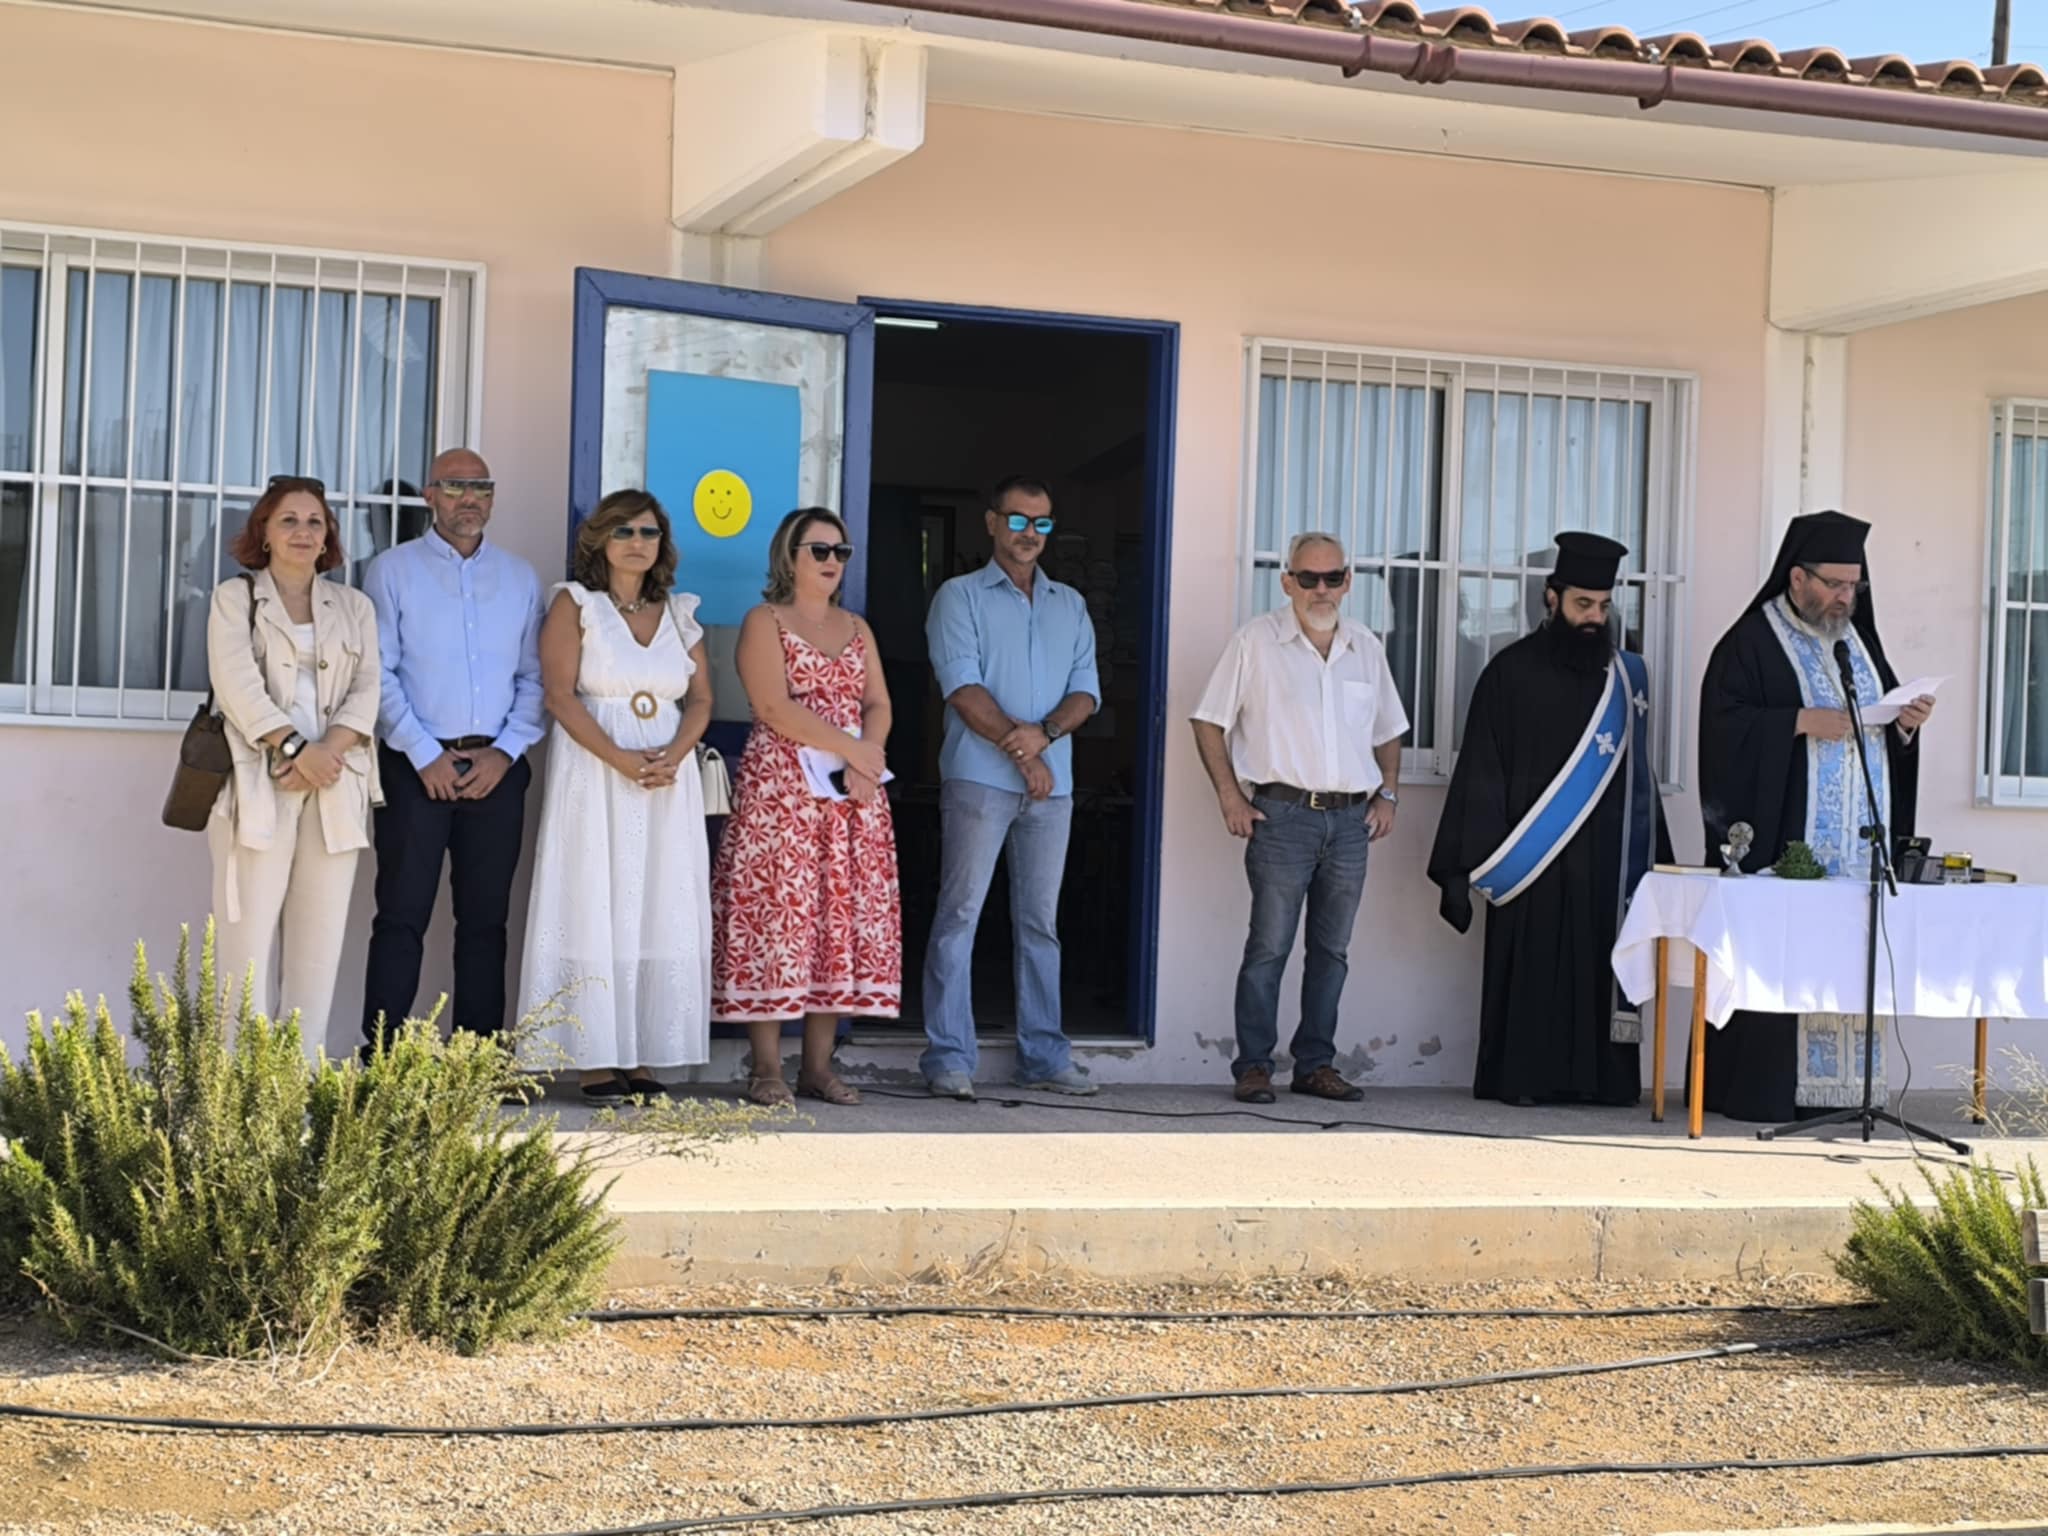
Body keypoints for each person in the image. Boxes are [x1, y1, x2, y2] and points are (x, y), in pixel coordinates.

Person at [1697, 510, 1935, 1121]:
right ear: (1797, 577)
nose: (1844, 598)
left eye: (1854, 585)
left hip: (1857, 856)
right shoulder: (1750, 642)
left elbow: (1881, 730)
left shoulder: (1858, 643)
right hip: (1788, 848)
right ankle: (1768, 1093)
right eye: (1834, 584)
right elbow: (1723, 731)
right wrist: (1797, 722)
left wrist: (1905, 727)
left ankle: (1848, 1096)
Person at [1426, 532, 1674, 1107]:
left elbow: (1639, 775)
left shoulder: (1626, 678)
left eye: (1604, 606)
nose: (1594, 618)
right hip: (1532, 865)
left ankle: (1603, 1083)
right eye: (1583, 604)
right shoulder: (1509, 673)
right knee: (1533, 967)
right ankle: (1523, 1080)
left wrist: (1657, 858)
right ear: (1551, 597)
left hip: (1606, 862)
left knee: (1600, 967)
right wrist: (1467, 861)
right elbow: (1482, 769)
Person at [1190, 531, 1407, 1104]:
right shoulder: (1255, 642)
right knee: (1269, 949)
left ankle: (1315, 1065)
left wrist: (1388, 794)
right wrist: (1230, 797)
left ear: (1348, 582)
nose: (1320, 589)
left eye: (1332, 577)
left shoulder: (1365, 647)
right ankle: (1254, 1066)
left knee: (1332, 952)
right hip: (1282, 817)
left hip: (1350, 822)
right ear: (1287, 581)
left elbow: (1389, 729)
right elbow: (1208, 720)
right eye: (1308, 578)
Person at [518, 489, 714, 1102]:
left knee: (657, 901)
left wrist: (675, 754)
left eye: (649, 532)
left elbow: (702, 698)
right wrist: (620, 758)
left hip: (666, 777)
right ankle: (594, 1057)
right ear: (600, 540)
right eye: (624, 531)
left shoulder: (681, 612)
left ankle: (644, 1050)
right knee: (593, 897)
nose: (637, 543)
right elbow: (559, 695)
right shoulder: (574, 604)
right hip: (595, 770)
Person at [711, 508, 902, 1107]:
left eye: (841, 552)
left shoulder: (858, 626)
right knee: (777, 918)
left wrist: (867, 758)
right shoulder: (764, 620)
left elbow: (878, 702)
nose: (831, 561)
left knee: (835, 922)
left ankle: (817, 1067)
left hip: (850, 795)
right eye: (819, 550)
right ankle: (766, 1066)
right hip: (782, 795)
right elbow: (772, 705)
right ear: (788, 556)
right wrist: (854, 750)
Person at [919, 476, 1102, 1100]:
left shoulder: (1070, 605)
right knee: (959, 915)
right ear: (992, 522)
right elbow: (963, 690)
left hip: (1053, 787)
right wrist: (1027, 755)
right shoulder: (959, 597)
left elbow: (1086, 693)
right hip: (979, 780)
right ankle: (948, 1057)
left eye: (1042, 522)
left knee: (1040, 923)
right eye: (1019, 519)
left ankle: (1044, 1056)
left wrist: (1042, 737)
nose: (1030, 533)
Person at [359, 448, 545, 1051]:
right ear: (430, 496)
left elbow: (534, 677)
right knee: (400, 917)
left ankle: (477, 1061)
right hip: (414, 770)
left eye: (481, 487)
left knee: (486, 923)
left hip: (497, 770)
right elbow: (377, 674)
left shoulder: (520, 578)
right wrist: (422, 752)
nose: (470, 499)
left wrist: (505, 753)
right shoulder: (392, 571)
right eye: (456, 486)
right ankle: (384, 1061)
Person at [204, 474, 381, 1061]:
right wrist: (296, 751)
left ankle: (299, 1083)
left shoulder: (354, 606)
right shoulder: (235, 599)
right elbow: (237, 685)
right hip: (258, 779)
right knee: (246, 942)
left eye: (314, 521)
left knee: (318, 947)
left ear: (328, 534)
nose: (303, 532)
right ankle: (240, 1084)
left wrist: (326, 754)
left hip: (335, 784)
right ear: (264, 532)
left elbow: (367, 690)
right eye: (289, 520)